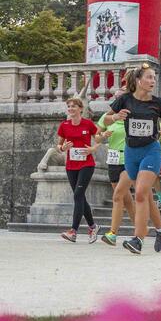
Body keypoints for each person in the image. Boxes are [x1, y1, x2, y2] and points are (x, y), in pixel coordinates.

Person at [104, 62, 161, 255]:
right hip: (131, 153)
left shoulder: (157, 103)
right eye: (149, 77)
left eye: (154, 78)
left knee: (140, 192)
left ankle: (138, 238)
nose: (152, 81)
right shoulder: (124, 99)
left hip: (151, 150)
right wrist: (116, 117)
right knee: (146, 196)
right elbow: (105, 119)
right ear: (139, 81)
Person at [57, 95, 101, 243]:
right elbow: (59, 146)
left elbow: (99, 139)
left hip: (86, 164)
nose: (70, 109)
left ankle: (73, 231)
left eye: (73, 106)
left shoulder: (88, 124)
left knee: (77, 195)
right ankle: (93, 226)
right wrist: (63, 148)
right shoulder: (64, 125)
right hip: (70, 165)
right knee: (80, 196)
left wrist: (92, 149)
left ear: (80, 109)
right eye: (69, 107)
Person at [97, 92, 135, 246]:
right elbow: (96, 137)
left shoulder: (132, 117)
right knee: (126, 200)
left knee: (118, 196)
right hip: (112, 161)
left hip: (128, 160)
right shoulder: (107, 117)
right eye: (116, 98)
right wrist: (103, 135)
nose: (118, 100)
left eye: (121, 98)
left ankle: (112, 233)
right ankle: (140, 230)